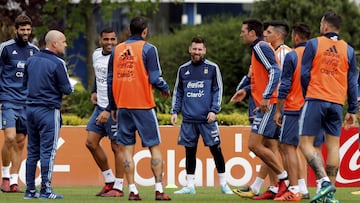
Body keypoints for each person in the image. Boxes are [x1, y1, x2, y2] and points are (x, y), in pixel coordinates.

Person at [107, 16, 171, 201]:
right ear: (145, 31)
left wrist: (113, 105)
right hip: (143, 105)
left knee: (127, 150)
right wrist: (165, 88)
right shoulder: (149, 49)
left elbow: (111, 80)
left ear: (129, 31)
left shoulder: (117, 49)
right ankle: (159, 190)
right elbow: (154, 77)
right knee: (154, 148)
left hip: (123, 106)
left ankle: (133, 190)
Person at [299, 11, 358, 203]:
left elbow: (304, 74)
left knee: (305, 143)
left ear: (325, 26)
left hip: (316, 98)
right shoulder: (348, 50)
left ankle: (324, 182)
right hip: (337, 103)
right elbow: (353, 82)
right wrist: (352, 110)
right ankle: (329, 195)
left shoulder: (314, 43)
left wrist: (308, 94)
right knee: (334, 147)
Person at [230, 18, 288, 200]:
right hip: (268, 102)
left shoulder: (259, 47)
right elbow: (263, 75)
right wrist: (246, 91)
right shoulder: (261, 48)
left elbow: (275, 71)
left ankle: (284, 180)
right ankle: (269, 187)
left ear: (252, 33)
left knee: (254, 145)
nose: (241, 34)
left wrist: (265, 96)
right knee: (269, 145)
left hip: (269, 103)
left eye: (243, 31)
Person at [170, 36, 233, 195]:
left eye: (200, 49)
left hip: (207, 119)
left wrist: (214, 110)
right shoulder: (183, 69)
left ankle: (224, 184)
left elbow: (217, 90)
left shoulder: (212, 68)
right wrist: (174, 111)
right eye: (194, 49)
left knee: (215, 150)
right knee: (189, 151)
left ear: (204, 51)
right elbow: (178, 92)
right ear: (189, 50)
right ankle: (190, 186)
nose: (196, 52)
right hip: (189, 119)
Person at [23, 30, 73, 199]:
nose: (65, 45)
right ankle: (45, 189)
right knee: (48, 152)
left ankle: (30, 190)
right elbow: (67, 89)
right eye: (64, 42)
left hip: (30, 110)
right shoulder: (58, 63)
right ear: (54, 44)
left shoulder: (30, 60)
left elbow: (25, 84)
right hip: (48, 111)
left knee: (32, 152)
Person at [0, 14, 39, 193]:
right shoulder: (5, 49)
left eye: (28, 30)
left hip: (26, 102)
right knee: (9, 138)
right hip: (8, 99)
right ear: (16, 30)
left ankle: (15, 181)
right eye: (22, 29)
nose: (25, 32)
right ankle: (5, 177)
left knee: (20, 141)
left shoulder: (34, 51)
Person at [273, 22, 311, 201]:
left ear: (295, 37)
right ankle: (303, 187)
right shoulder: (315, 54)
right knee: (301, 148)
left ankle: (294, 188)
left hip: (294, 107)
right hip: (311, 107)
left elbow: (285, 85)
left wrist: (278, 110)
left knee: (288, 147)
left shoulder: (293, 55)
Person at [85, 27, 125, 197]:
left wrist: (110, 110)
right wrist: (94, 90)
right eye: (106, 39)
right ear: (100, 40)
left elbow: (121, 86)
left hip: (115, 109)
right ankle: (109, 181)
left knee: (117, 147)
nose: (110, 43)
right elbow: (99, 75)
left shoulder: (121, 58)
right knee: (90, 142)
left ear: (117, 40)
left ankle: (119, 187)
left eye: (113, 39)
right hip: (100, 107)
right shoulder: (95, 54)